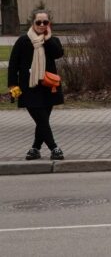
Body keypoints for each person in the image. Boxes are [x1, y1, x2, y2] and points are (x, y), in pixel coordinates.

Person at [6, 10, 65, 160]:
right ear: (33, 23)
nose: (41, 25)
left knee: (42, 121)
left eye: (45, 22)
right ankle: (54, 148)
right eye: (38, 22)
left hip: (48, 86)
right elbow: (13, 64)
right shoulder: (23, 41)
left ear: (48, 24)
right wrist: (13, 85)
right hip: (29, 88)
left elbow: (58, 54)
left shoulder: (52, 41)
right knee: (41, 119)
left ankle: (35, 149)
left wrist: (48, 39)